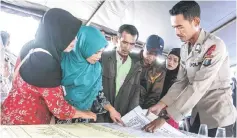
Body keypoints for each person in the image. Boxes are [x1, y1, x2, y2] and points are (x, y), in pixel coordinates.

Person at [143, 1, 236, 137]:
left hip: (217, 116)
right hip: (197, 115)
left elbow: (198, 85)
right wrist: (161, 104)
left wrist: (165, 118)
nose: (176, 32)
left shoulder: (214, 46)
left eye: (180, 27)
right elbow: (181, 82)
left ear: (196, 21)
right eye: (174, 27)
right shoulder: (184, 48)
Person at [1, 8, 96, 125]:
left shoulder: (30, 46)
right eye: (71, 36)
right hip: (27, 125)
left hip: (8, 114)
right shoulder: (47, 64)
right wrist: (85, 113)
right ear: (58, 33)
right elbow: (59, 109)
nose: (75, 41)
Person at [59, 26, 121, 123]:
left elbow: (98, 94)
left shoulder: (96, 68)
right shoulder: (61, 61)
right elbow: (52, 97)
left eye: (101, 52)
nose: (99, 57)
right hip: (60, 117)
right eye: (96, 52)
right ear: (84, 45)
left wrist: (111, 110)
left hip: (85, 118)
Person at [97, 24, 144, 123]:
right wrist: (109, 109)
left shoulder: (136, 67)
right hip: (99, 115)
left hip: (120, 118)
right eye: (124, 42)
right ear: (117, 39)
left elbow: (134, 95)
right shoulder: (102, 57)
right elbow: (94, 88)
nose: (127, 47)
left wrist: (131, 118)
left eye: (132, 44)